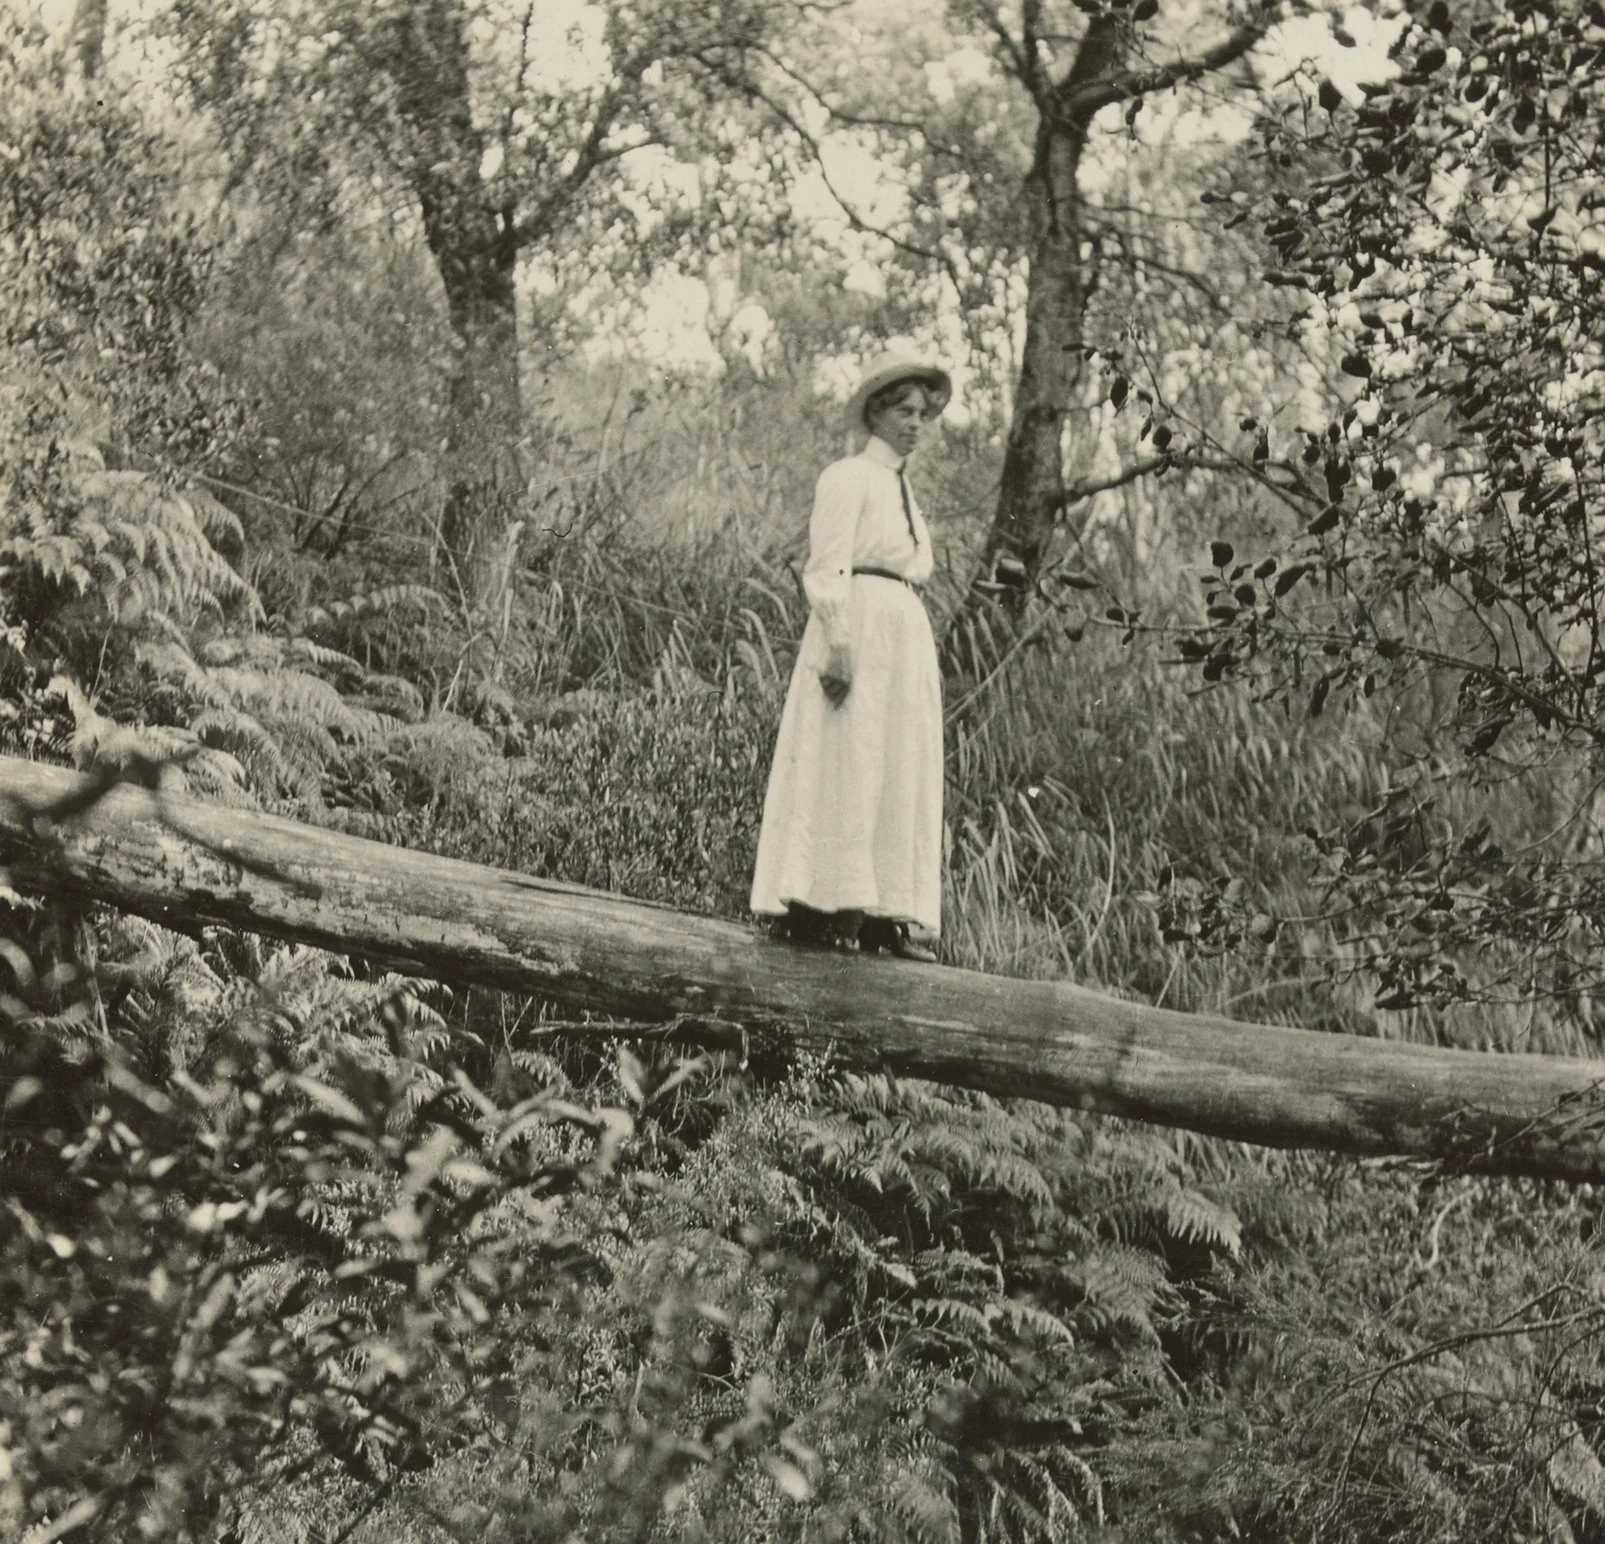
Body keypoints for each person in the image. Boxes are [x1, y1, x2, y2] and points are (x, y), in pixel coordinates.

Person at [749, 344, 950, 962]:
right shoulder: (848, 477)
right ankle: (815, 906)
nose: (915, 423)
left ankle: (881, 915)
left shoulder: (904, 492)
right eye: (904, 411)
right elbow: (828, 562)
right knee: (845, 759)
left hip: (902, 633)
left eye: (923, 413)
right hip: (857, 626)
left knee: (895, 764)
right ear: (876, 414)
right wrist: (838, 641)